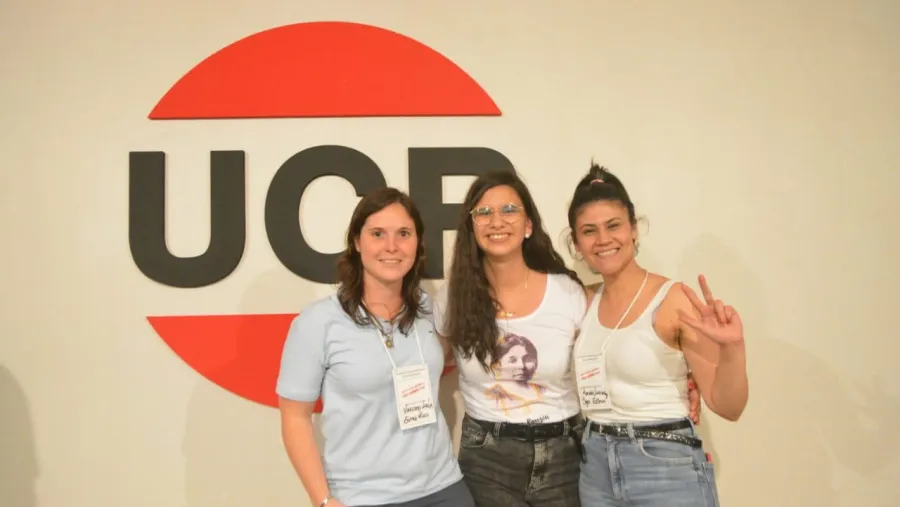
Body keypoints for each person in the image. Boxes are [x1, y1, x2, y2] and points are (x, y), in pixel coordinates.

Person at [275, 187, 474, 507]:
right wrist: (323, 500)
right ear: (356, 241)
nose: (391, 246)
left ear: (418, 243)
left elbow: (449, 356)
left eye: (404, 234)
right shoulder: (318, 322)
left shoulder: (429, 309)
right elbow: (295, 419)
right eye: (377, 234)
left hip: (443, 488)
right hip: (361, 496)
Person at [568, 163, 749, 507]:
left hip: (664, 465)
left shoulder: (673, 300)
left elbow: (729, 407)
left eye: (614, 226)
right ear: (576, 243)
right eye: (589, 231)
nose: (603, 239)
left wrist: (733, 349)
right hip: (595, 468)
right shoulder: (584, 300)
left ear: (634, 230)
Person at [432, 169, 591, 506]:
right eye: (483, 213)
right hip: (486, 458)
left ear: (528, 224)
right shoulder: (451, 299)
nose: (496, 221)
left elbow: (605, 357)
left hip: (564, 455)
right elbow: (426, 363)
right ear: (472, 227)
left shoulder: (567, 293)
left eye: (508, 210)